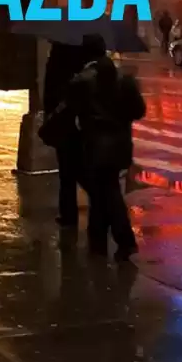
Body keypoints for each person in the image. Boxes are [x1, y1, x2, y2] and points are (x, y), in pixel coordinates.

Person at [66, 34, 146, 261]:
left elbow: (70, 112)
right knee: (101, 191)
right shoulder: (124, 79)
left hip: (95, 146)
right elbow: (139, 111)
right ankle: (98, 239)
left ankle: (125, 240)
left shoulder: (80, 82)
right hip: (120, 145)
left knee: (107, 192)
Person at [43, 42, 87, 228]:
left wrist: (49, 117)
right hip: (82, 124)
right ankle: (102, 207)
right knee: (80, 170)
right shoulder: (86, 64)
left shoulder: (57, 62)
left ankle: (68, 215)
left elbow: (49, 94)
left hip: (64, 123)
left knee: (67, 172)